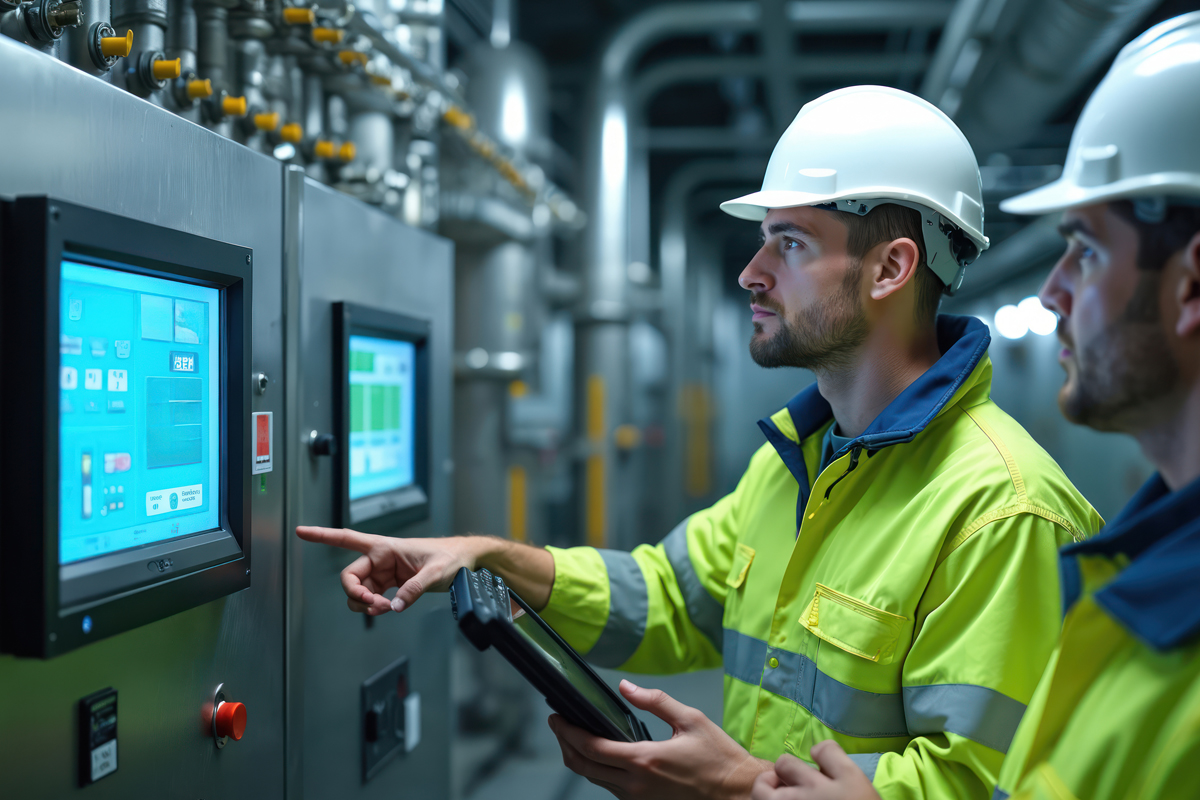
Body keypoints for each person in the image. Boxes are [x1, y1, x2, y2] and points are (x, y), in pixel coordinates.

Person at [297, 86, 1101, 800]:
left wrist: (739, 786)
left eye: (789, 243)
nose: (751, 271)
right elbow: (668, 599)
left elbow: (987, 786)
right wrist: (488, 558)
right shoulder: (798, 460)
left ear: (891, 268)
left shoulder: (1003, 514)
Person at [751, 12, 1200, 800]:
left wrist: (734, 785)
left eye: (1086, 250)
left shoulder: (1014, 514)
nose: (1054, 291)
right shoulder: (1140, 583)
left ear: (1192, 286)